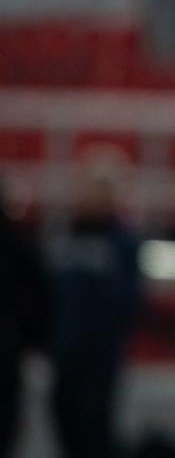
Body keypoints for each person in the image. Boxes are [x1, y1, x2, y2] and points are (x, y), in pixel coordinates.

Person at [49, 147, 142, 458]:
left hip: (99, 363)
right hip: (65, 361)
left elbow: (129, 302)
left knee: (94, 441)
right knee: (67, 436)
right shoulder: (66, 236)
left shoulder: (124, 242)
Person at [0, 178, 50, 458]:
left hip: (8, 349)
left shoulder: (19, 242)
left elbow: (38, 298)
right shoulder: (20, 241)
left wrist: (32, 341)